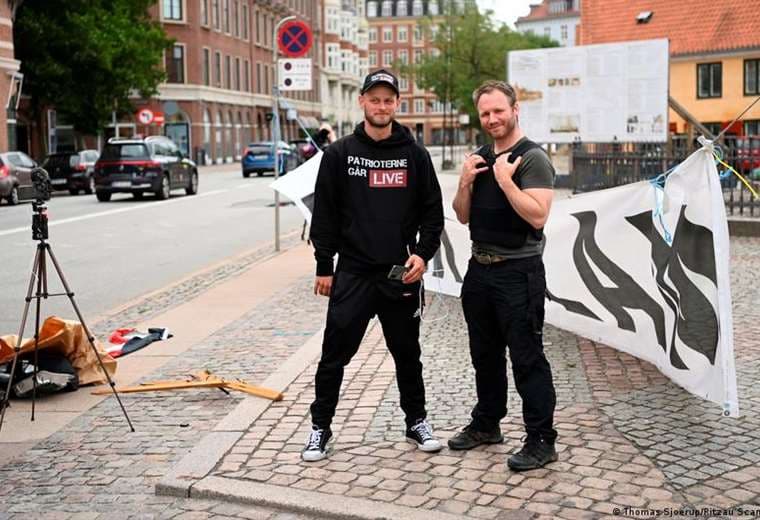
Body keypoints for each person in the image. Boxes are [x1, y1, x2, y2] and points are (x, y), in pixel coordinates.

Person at [303, 69, 445, 462]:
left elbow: (433, 214)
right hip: (352, 271)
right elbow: (325, 215)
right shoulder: (339, 154)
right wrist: (323, 265)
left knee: (407, 352)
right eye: (375, 99)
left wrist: (422, 253)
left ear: (397, 104)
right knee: (334, 354)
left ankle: (416, 421)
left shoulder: (415, 155)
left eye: (388, 100)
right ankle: (320, 428)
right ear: (362, 102)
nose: (381, 106)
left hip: (398, 271)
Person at [450, 80, 558, 471]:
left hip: (519, 272)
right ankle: (487, 424)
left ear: (515, 110)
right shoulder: (478, 158)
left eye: (499, 110)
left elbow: (538, 215)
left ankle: (542, 440)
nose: (492, 119)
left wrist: (505, 180)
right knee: (485, 355)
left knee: (527, 358)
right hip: (479, 271)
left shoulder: (532, 159)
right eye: (485, 113)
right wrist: (465, 180)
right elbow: (462, 215)